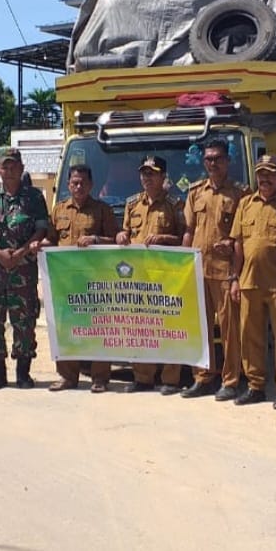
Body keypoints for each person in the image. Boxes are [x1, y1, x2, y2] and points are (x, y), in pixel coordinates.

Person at [34, 164, 119, 393]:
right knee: (65, 327)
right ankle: (67, 376)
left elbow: (117, 241)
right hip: (65, 281)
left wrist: (95, 239)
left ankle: (100, 378)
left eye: (83, 182)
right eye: (74, 182)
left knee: (98, 328)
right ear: (68, 185)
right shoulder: (58, 210)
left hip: (95, 280)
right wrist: (39, 245)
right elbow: (51, 240)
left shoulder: (103, 210)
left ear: (91, 185)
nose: (78, 186)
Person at [229, 154, 276, 410]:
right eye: (261, 173)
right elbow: (238, 244)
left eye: (271, 173)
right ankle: (255, 385)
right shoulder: (245, 204)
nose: (265, 178)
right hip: (249, 282)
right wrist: (235, 279)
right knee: (250, 336)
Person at [0, 146, 49, 389]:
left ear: (22, 168)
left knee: (24, 321)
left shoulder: (34, 197)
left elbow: (41, 229)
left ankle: (23, 372)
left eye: (14, 165)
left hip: (23, 269)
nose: (10, 169)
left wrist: (21, 252)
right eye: (5, 165)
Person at [180, 140, 250, 400]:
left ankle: (230, 380)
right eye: (209, 159)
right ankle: (202, 377)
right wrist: (184, 264)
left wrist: (231, 243)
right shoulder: (196, 192)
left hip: (225, 271)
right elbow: (188, 230)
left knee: (231, 330)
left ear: (227, 161)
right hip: (198, 269)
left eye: (218, 158)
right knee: (200, 327)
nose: (213, 163)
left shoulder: (240, 194)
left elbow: (245, 234)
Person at [116, 155, 186, 394]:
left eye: (152, 173)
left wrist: (164, 239)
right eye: (144, 173)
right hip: (137, 278)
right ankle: (143, 377)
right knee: (139, 328)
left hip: (165, 277)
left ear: (163, 176)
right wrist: (121, 236)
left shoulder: (175, 205)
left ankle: (170, 379)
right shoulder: (132, 204)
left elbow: (185, 239)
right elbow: (124, 232)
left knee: (166, 327)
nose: (147, 178)